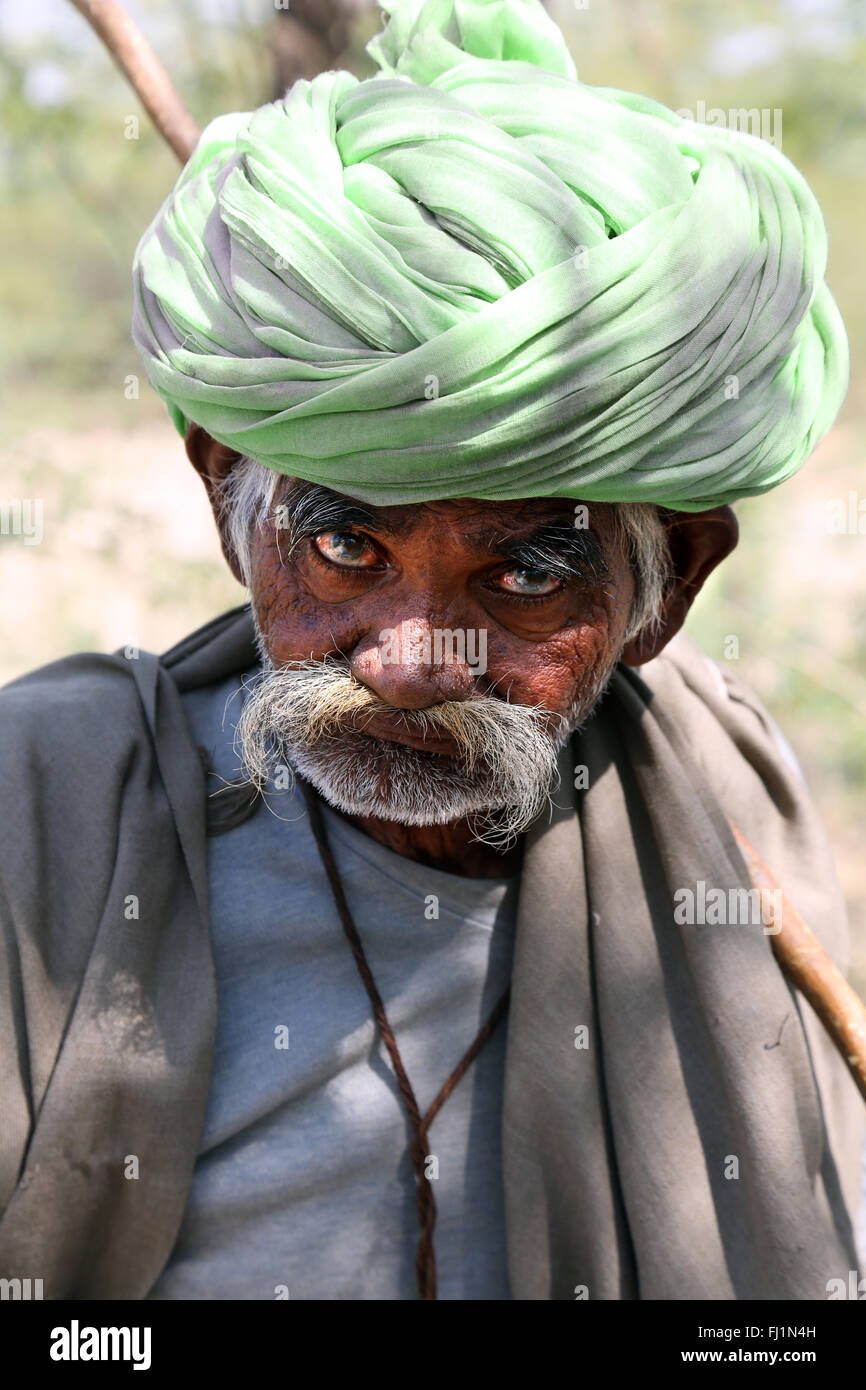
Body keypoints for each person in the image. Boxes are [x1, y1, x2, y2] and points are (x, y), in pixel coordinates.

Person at [0, 0, 862, 1300]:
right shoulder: (47, 817)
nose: (404, 660)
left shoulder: (724, 806)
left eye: (520, 574)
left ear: (669, 586)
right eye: (348, 551)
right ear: (228, 496)